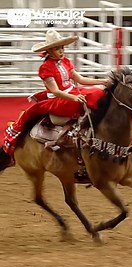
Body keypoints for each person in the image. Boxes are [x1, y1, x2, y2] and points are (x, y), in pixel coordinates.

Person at [0, 29, 111, 171]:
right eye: (58, 48)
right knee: (87, 98)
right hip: (58, 100)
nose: (61, 51)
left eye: (62, 48)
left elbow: (80, 79)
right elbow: (55, 91)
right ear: (50, 51)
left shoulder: (65, 62)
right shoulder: (45, 68)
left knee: (97, 92)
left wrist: (102, 81)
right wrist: (74, 97)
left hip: (71, 93)